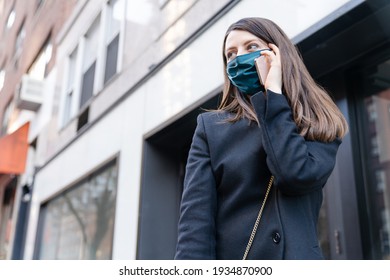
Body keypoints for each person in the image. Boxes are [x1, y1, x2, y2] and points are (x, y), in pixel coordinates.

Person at [174, 17, 348, 260]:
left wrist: (273, 96)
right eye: (231, 54)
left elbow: (294, 174)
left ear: (277, 53)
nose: (238, 58)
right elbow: (195, 224)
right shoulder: (211, 128)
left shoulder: (319, 120)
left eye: (251, 47)